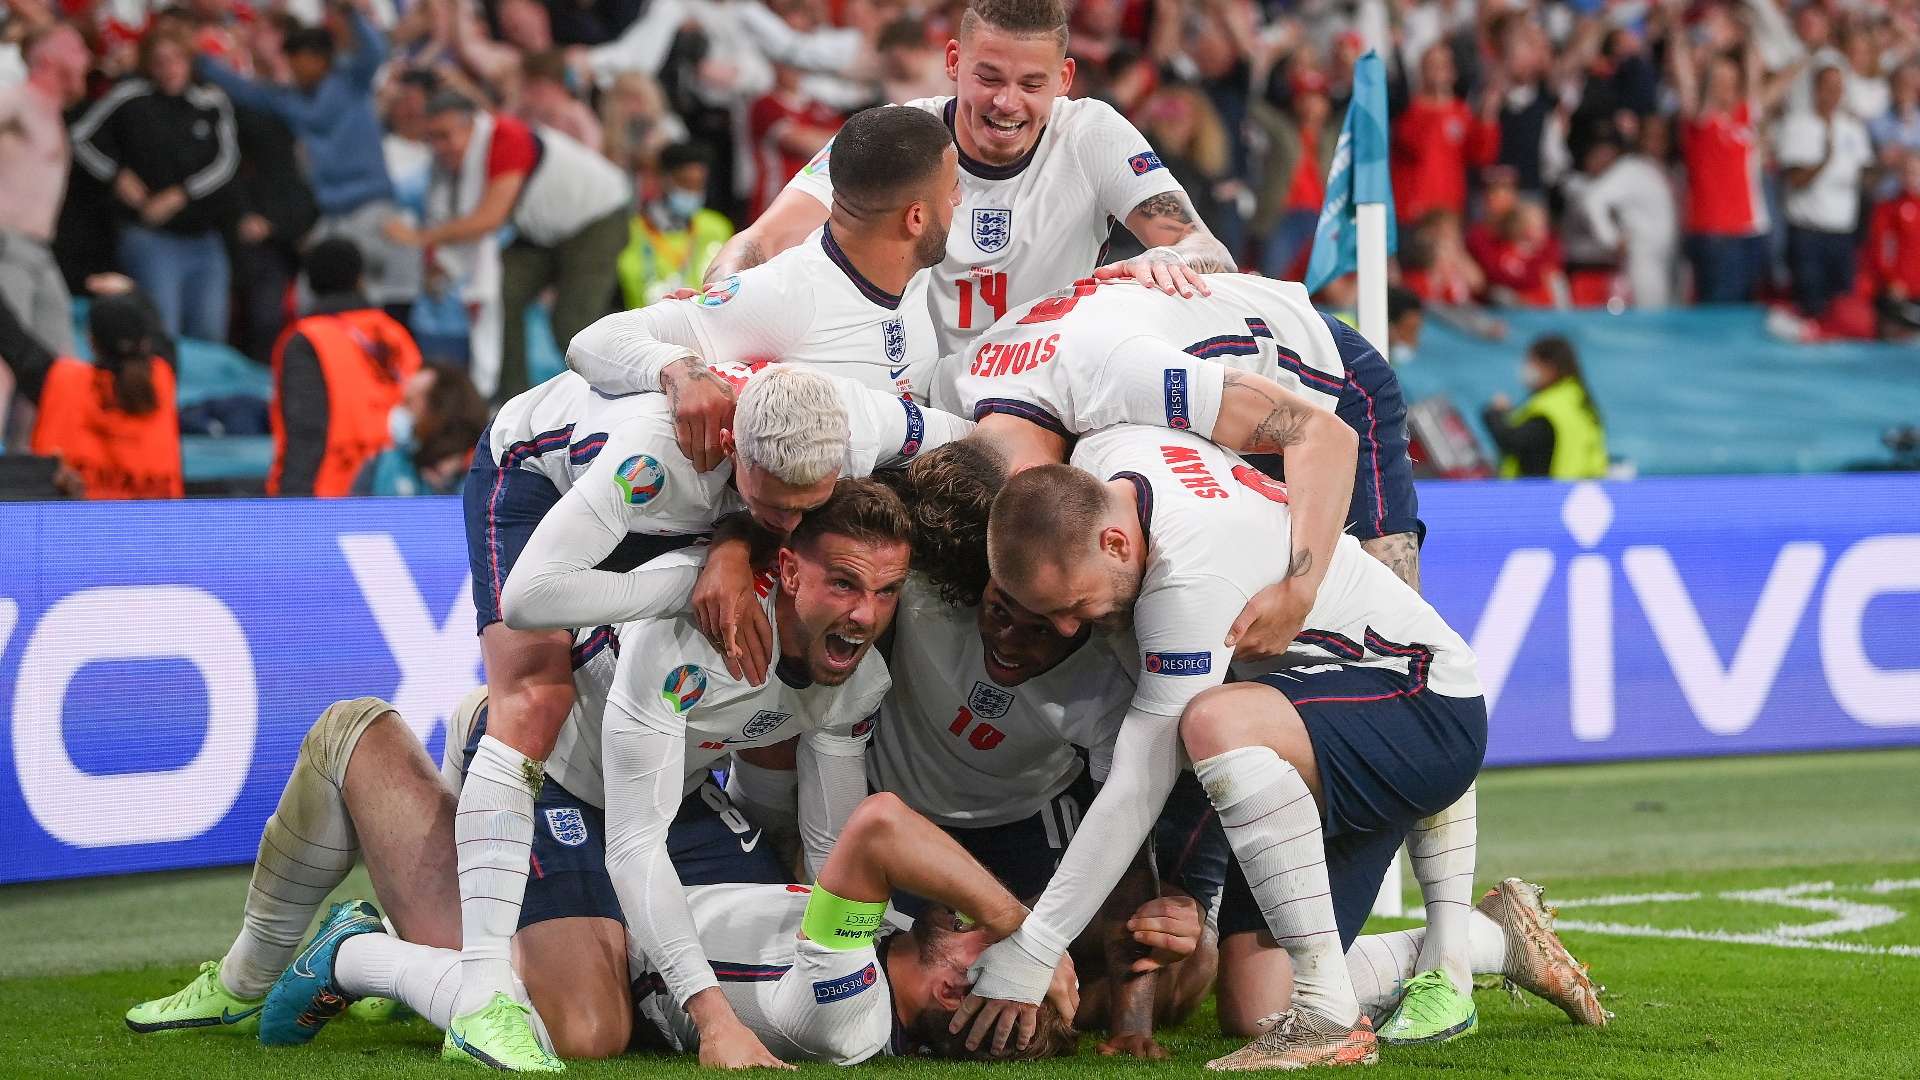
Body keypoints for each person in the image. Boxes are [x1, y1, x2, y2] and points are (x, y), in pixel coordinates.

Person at [449, 359, 967, 1068]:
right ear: (787, 566)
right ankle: (395, 960)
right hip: (573, 774)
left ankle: (572, 937)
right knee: (588, 1033)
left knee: (759, 940)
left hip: (673, 798)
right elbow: (529, 600)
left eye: (885, 593)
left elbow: (831, 851)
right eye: (843, 583)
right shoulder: (678, 534)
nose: (864, 615)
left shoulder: (857, 671)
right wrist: (689, 577)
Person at [972, 427, 1486, 1067]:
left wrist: (1033, 949)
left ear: (1114, 541)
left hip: (1422, 706)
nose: (1070, 628)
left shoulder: (1190, 577)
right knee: (1253, 1004)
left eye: (1075, 604)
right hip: (1318, 716)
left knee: (1209, 720)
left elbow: (1138, 786)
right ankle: (1488, 942)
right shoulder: (1110, 460)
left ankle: (1325, 1019)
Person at [705, 0, 1233, 364]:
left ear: (1064, 79)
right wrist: (711, 313)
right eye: (989, 78)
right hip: (909, 389)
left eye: (1031, 84)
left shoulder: (1092, 132)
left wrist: (1170, 259)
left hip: (1046, 391)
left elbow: (1205, 247)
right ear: (954, 62)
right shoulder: (899, 133)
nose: (1007, 103)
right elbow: (763, 239)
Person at [567, 104, 958, 404]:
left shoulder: (912, 272)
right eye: (953, 189)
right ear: (917, 218)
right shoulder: (788, 294)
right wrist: (680, 371)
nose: (959, 200)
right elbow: (596, 340)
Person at [388, 92, 631, 403]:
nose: (439, 147)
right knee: (502, 292)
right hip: (543, 229)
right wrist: (441, 262)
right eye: (431, 138)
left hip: (596, 218)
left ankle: (614, 400)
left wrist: (421, 238)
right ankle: (512, 400)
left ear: (471, 127)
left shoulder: (507, 139)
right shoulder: (450, 161)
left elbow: (489, 218)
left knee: (572, 324)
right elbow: (453, 215)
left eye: (445, 136)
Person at [195, 2, 415, 316]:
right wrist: (200, 60)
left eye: (299, 61)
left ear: (320, 59)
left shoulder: (352, 80)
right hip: (331, 218)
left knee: (390, 297)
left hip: (372, 209)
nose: (294, 69)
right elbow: (244, 91)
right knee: (310, 303)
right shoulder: (290, 101)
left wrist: (350, 13)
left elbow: (373, 49)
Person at [70, 29, 241, 341]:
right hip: (150, 236)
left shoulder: (209, 99)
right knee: (163, 332)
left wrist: (182, 193)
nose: (170, 69)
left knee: (210, 333)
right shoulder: (131, 95)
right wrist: (115, 175)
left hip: (203, 237)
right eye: (161, 61)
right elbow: (81, 136)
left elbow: (227, 160)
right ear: (149, 64)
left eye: (177, 60)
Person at [269, 238, 423, 498]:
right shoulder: (395, 333)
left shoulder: (307, 340)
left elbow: (306, 431)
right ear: (360, 278)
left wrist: (290, 505)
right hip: (399, 488)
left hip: (332, 493)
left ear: (311, 284)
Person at [28, 292, 183, 500]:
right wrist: (133, 290)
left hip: (72, 528)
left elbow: (11, 336)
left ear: (91, 341)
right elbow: (163, 339)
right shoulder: (162, 378)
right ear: (145, 343)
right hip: (158, 527)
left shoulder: (60, 381)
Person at [0, 22, 88, 356]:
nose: (86, 57)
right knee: (7, 359)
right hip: (8, 247)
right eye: (76, 49)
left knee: (59, 364)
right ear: (47, 58)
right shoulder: (18, 101)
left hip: (39, 252)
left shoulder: (53, 114)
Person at [1669, 38, 1775, 303]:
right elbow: (1684, 79)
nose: (1725, 88)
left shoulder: (1743, 119)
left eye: (1730, 81)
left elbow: (1765, 84)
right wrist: (1676, 33)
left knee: (1741, 307)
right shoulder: (1700, 121)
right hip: (1713, 232)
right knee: (1718, 310)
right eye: (1718, 81)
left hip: (1746, 232)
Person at [1777, 64, 1874, 319]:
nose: (1834, 93)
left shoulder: (1852, 128)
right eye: (1828, 87)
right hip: (1809, 234)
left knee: (1842, 310)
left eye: (1839, 88)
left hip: (1843, 233)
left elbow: (1865, 175)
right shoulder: (1798, 125)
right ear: (1815, 90)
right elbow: (1794, 180)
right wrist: (1824, 160)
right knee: (1811, 309)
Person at [616, 141, 736, 309]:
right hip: (646, 325)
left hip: (703, 323)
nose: (692, 192)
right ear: (664, 179)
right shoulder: (631, 232)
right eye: (685, 183)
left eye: (698, 184)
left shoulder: (717, 227)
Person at [1390, 42, 1499, 226]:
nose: (1440, 71)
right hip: (1414, 211)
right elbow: (1415, 145)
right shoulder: (1410, 112)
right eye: (1433, 65)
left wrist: (1487, 119)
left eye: (1445, 65)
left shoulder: (1461, 111)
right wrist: (1437, 105)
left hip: (1449, 211)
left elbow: (1481, 156)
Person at [1571, 130, 1679, 310]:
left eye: (1662, 138)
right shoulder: (1630, 168)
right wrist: (1611, 239)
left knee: (1670, 313)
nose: (1657, 143)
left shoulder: (1665, 168)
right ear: (1640, 140)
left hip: (1672, 257)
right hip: (1644, 256)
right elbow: (1593, 201)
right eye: (1651, 137)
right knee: (1650, 314)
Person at [354, 362, 490, 496]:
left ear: (441, 414)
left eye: (409, 403)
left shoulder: (485, 481)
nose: (399, 412)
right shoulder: (381, 468)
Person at [1482, 334, 1606, 480]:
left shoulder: (1550, 407)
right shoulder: (1579, 400)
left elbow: (1512, 441)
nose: (1526, 369)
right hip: (1579, 493)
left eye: (1531, 362)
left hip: (1550, 495)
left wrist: (1494, 413)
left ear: (1550, 367)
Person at [1866, 154, 1920, 338]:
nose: (1913, 177)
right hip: (1901, 290)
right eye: (1908, 172)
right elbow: (1882, 248)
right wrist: (1891, 280)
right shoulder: (1889, 208)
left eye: (1916, 172)